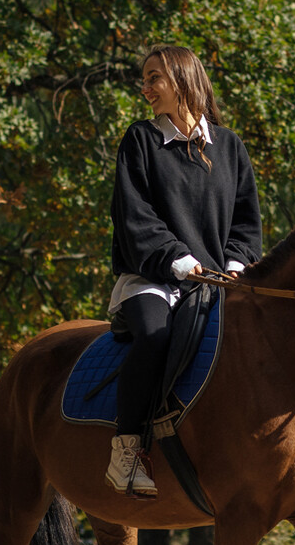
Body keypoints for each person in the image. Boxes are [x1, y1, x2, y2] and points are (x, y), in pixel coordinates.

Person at [106, 45, 262, 497]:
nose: (145, 88)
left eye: (154, 77)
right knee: (154, 337)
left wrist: (234, 265)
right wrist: (179, 260)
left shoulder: (230, 146)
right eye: (145, 79)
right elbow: (134, 216)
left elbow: (246, 221)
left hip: (216, 283)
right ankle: (127, 451)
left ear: (183, 79)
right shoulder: (140, 140)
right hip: (152, 278)